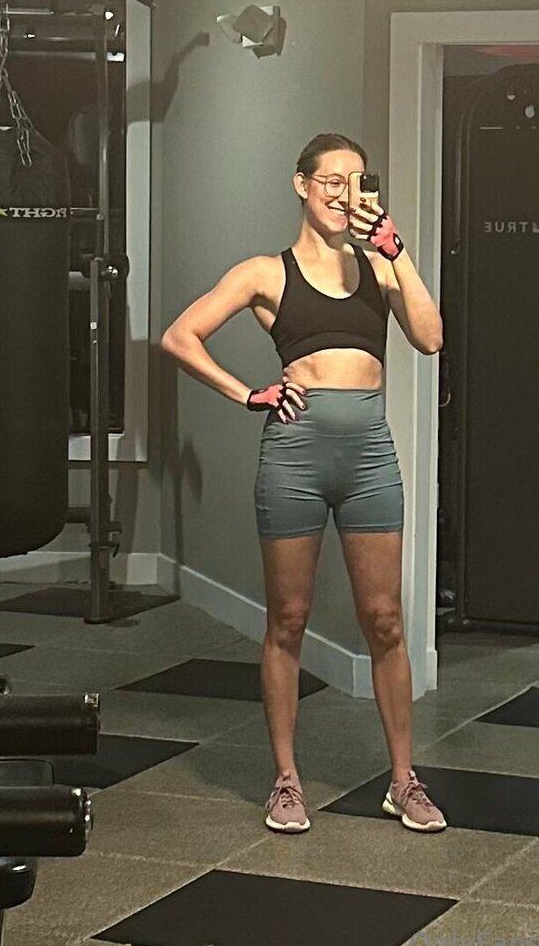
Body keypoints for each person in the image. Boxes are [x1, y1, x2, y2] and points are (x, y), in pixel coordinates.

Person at [161, 133, 446, 834]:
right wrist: (246, 393)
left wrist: (397, 251)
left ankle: (403, 781)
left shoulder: (379, 268)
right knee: (288, 620)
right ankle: (286, 781)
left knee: (386, 621)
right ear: (302, 185)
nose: (344, 194)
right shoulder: (267, 272)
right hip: (295, 457)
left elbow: (431, 337)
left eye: (357, 181)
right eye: (331, 181)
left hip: (368, 455)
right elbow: (180, 336)